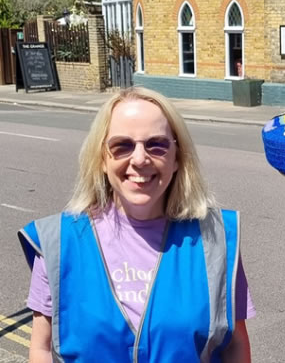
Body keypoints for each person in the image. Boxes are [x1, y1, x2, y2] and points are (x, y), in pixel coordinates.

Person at [18, 87, 254, 362]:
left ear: (177, 157)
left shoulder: (215, 238)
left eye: (157, 144)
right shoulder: (57, 242)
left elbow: (234, 344)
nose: (140, 159)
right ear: (102, 159)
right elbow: (42, 347)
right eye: (122, 146)